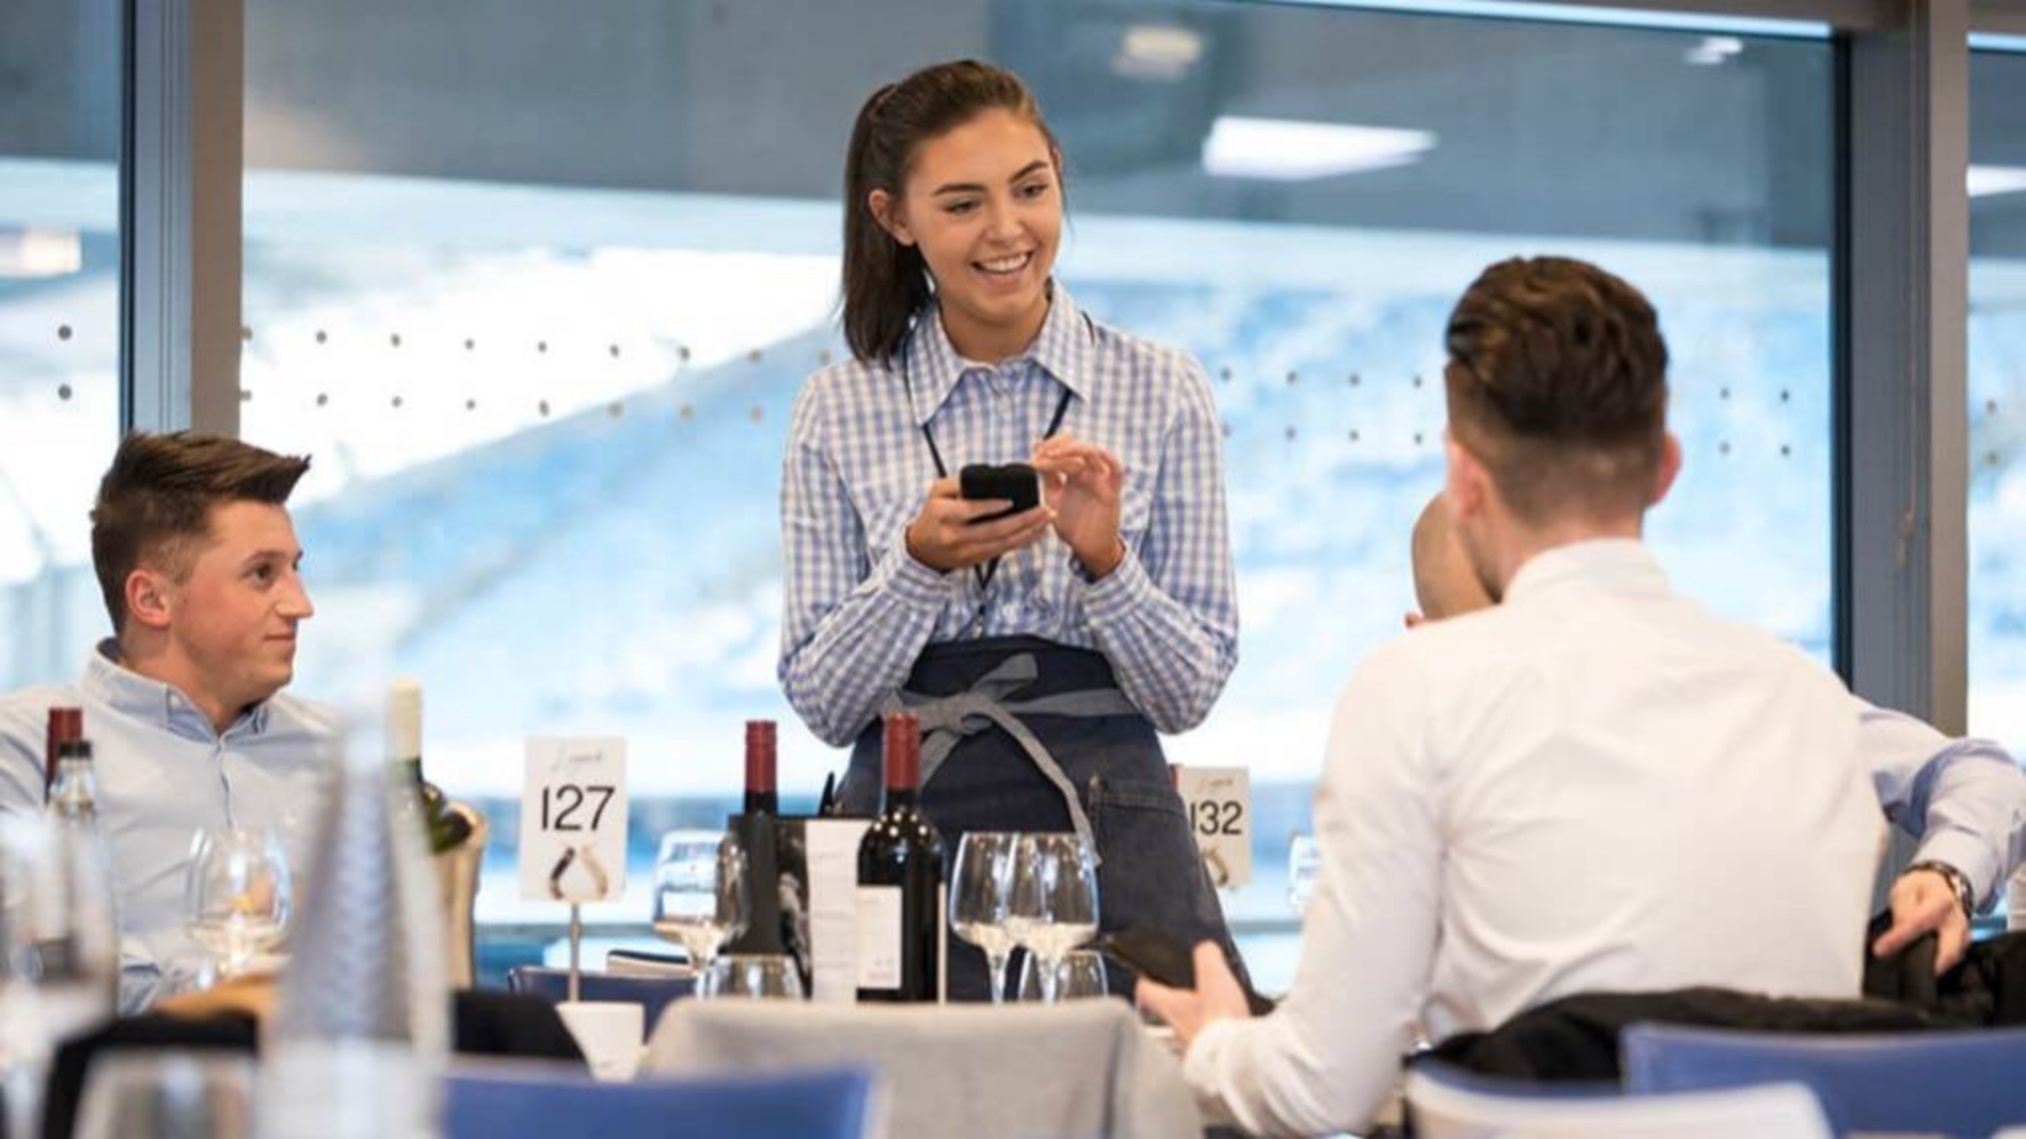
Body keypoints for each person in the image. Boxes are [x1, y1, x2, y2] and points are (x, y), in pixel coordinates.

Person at [1139, 256, 1886, 1135]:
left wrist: (1219, 1039)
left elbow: (1318, 1088)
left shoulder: (1419, 689)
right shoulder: (1811, 704)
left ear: (1465, 482)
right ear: (1667, 469)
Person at [778, 59, 1240, 1000]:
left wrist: (1106, 562)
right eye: (961, 204)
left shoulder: (1162, 388)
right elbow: (825, 705)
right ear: (894, 219)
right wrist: (917, 565)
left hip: (1115, 824)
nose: (1006, 230)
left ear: (1061, 175)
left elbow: (1190, 691)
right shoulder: (836, 408)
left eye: (1030, 189)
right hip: (901, 829)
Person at [1409, 492, 2026, 975]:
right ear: (1424, 642)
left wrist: (1947, 872)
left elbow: (1981, 776)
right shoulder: (1408, 789)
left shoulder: (1751, 705)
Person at [0, 432, 335, 1011]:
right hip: (117, 1088)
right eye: (262, 574)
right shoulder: (30, 745)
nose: (300, 603)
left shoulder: (336, 749)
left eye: (295, 569)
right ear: (152, 599)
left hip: (316, 1089)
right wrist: (234, 980)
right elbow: (31, 965)